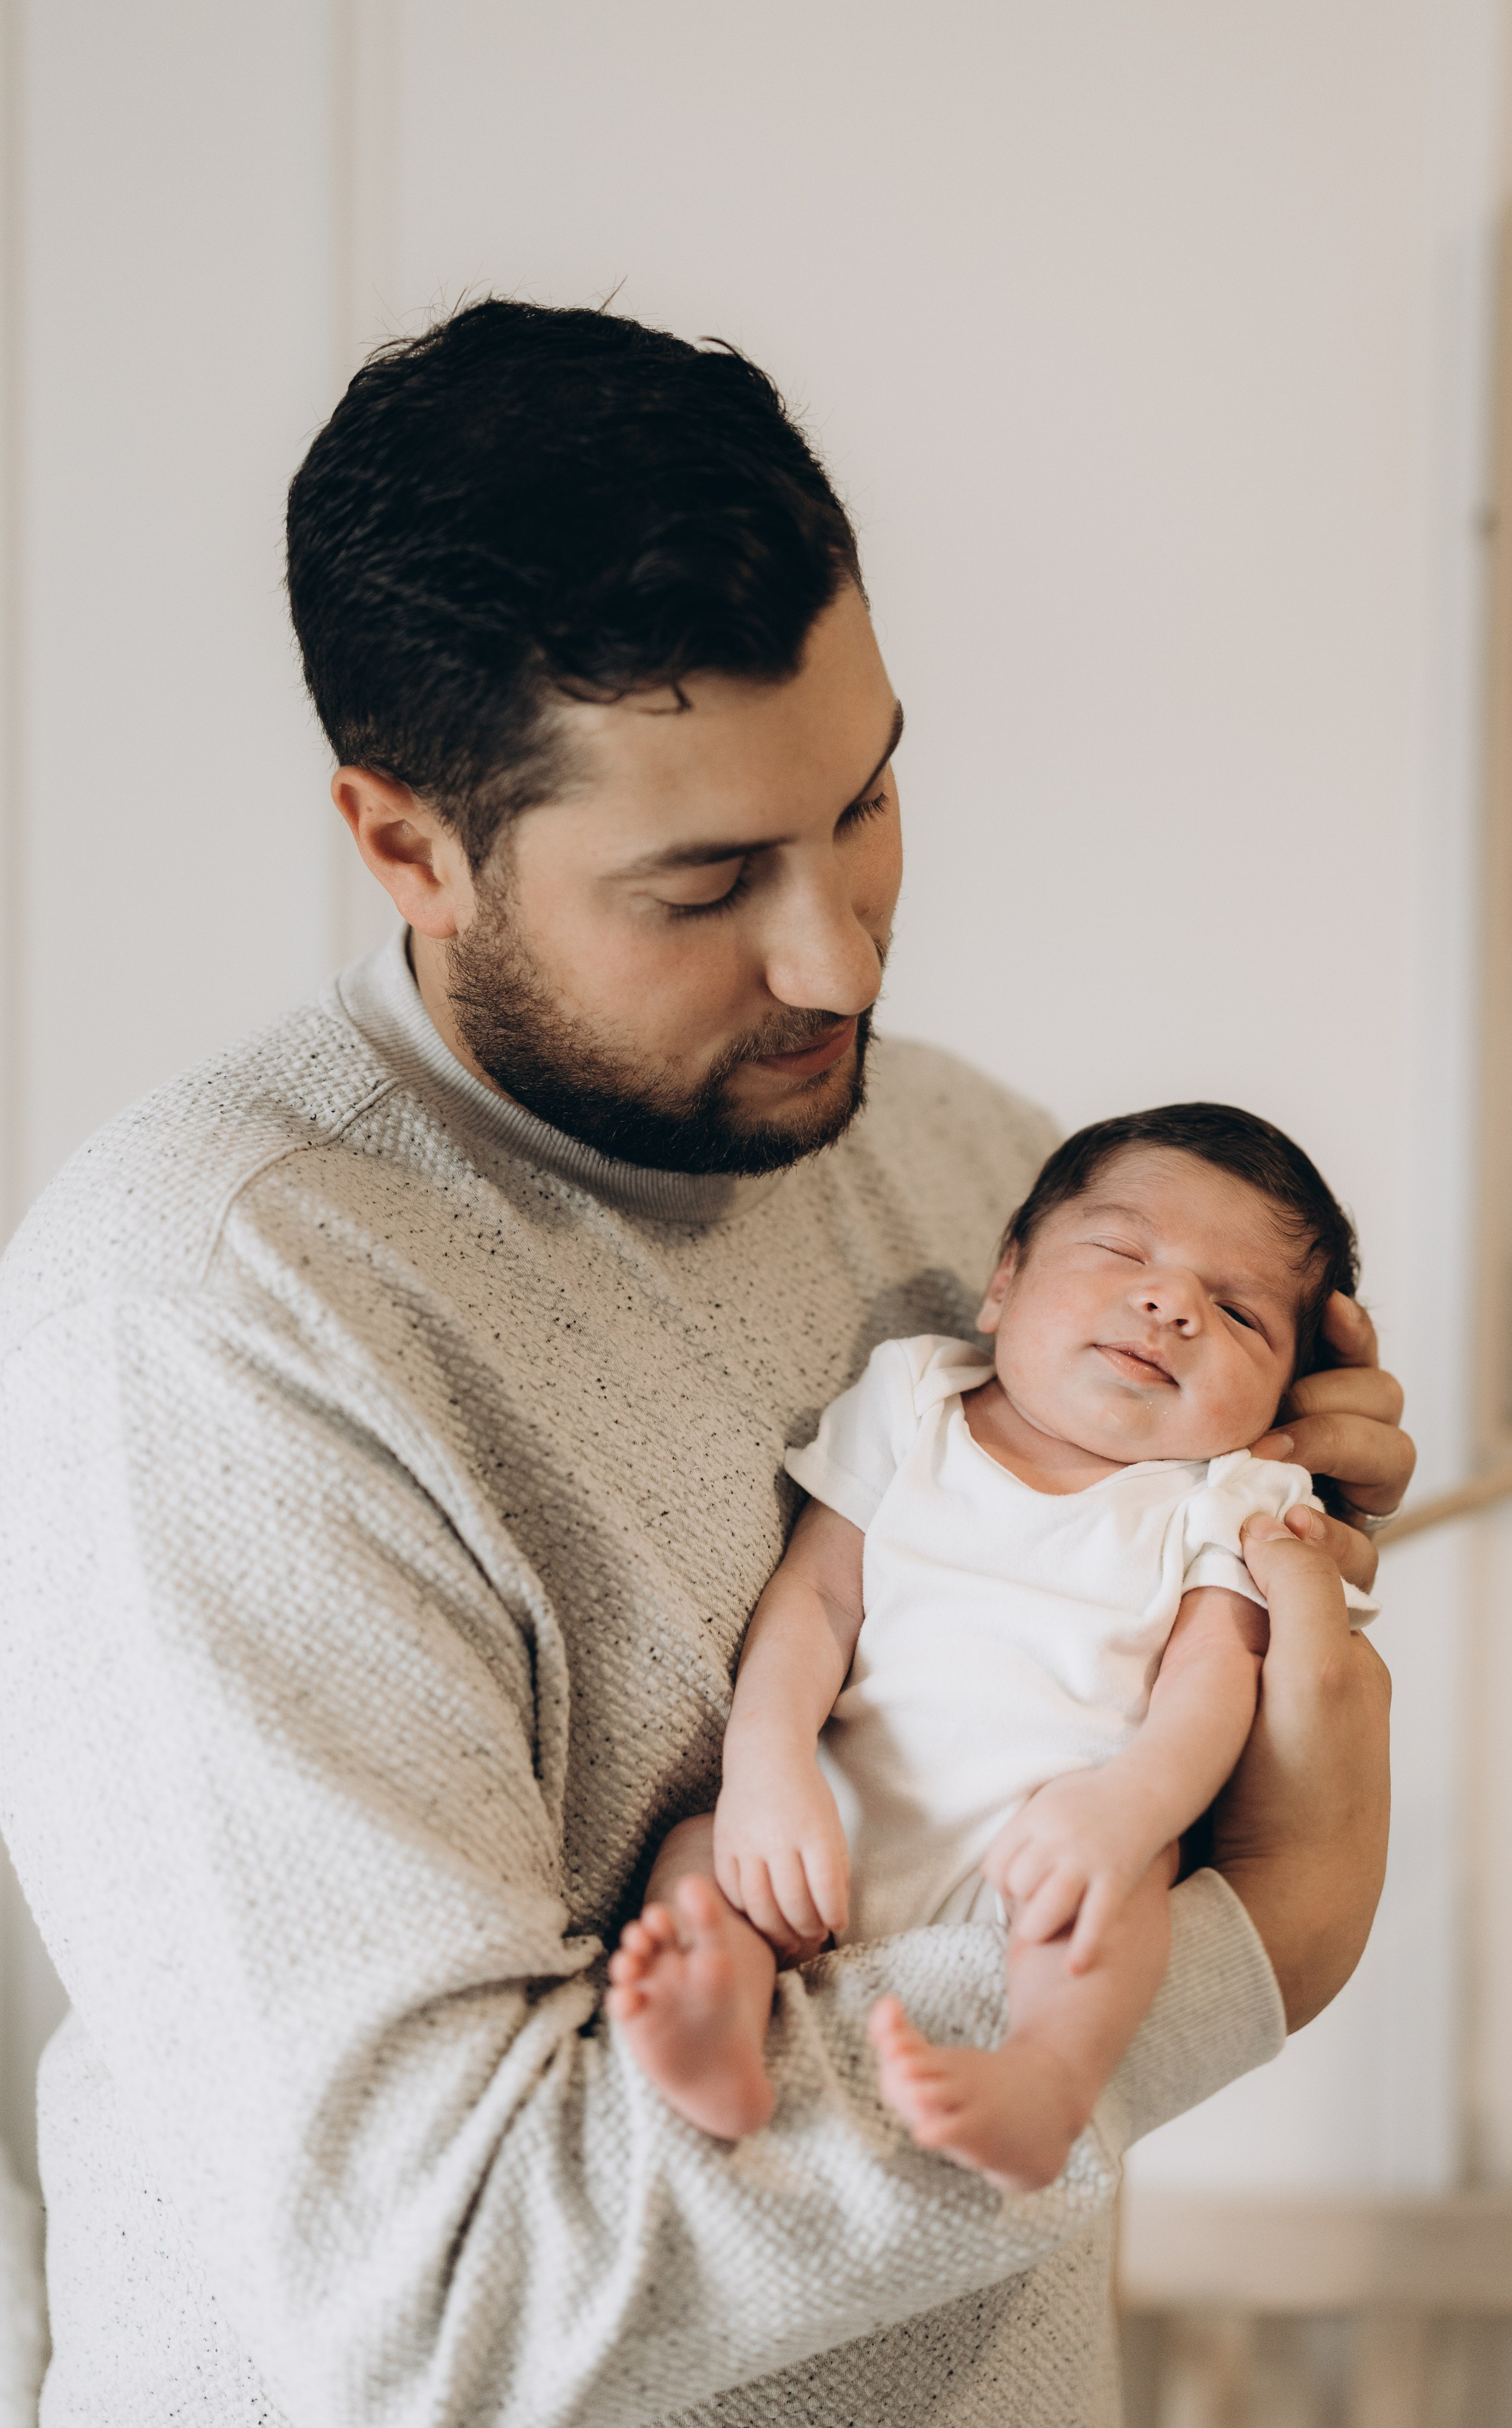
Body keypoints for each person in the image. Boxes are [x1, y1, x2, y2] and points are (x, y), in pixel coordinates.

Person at [0, 301, 1409, 2428]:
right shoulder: (217, 1310)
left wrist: (1249, 1553)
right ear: (406, 843)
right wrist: (1254, 1935)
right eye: (706, 881)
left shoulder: (959, 1156)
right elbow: (437, 2303)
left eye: (864, 800)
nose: (837, 954)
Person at [610, 1103, 1379, 2192]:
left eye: (1242, 1313)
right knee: (702, 1855)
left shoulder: (1227, 1499)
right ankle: (717, 2027)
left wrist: (1132, 1810)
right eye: (1123, 1251)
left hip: (1049, 1848)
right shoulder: (915, 1401)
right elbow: (818, 1600)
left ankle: (1047, 2081)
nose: (1170, 1303)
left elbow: (1216, 1678)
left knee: (1131, 1894)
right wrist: (767, 1766)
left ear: (1282, 1402)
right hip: (831, 1816)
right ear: (1006, 1280)